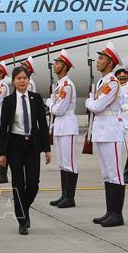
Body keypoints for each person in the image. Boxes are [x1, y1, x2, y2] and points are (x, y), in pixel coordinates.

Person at [0, 67, 51, 235]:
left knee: (33, 184)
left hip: (32, 145)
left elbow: (43, 125)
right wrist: (1, 153)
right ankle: (22, 220)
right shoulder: (8, 101)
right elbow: (3, 128)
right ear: (13, 81)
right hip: (15, 146)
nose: (22, 81)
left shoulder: (36, 99)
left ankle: (23, 209)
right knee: (18, 183)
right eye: (19, 78)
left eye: (25, 78)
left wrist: (47, 149)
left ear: (29, 80)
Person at [86, 42, 126, 228]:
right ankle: (110, 211)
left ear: (110, 63)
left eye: (101, 58)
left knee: (116, 174)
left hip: (111, 131)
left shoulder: (112, 82)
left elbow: (97, 106)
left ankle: (117, 214)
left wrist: (89, 102)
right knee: (107, 174)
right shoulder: (102, 82)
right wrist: (92, 103)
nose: (98, 61)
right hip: (102, 131)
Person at [47, 49, 79, 208]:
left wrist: (50, 105)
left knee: (69, 163)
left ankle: (70, 197)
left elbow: (58, 110)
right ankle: (64, 195)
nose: (55, 65)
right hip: (60, 125)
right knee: (62, 163)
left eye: (58, 63)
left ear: (65, 67)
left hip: (67, 125)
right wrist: (53, 105)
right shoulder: (60, 85)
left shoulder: (67, 85)